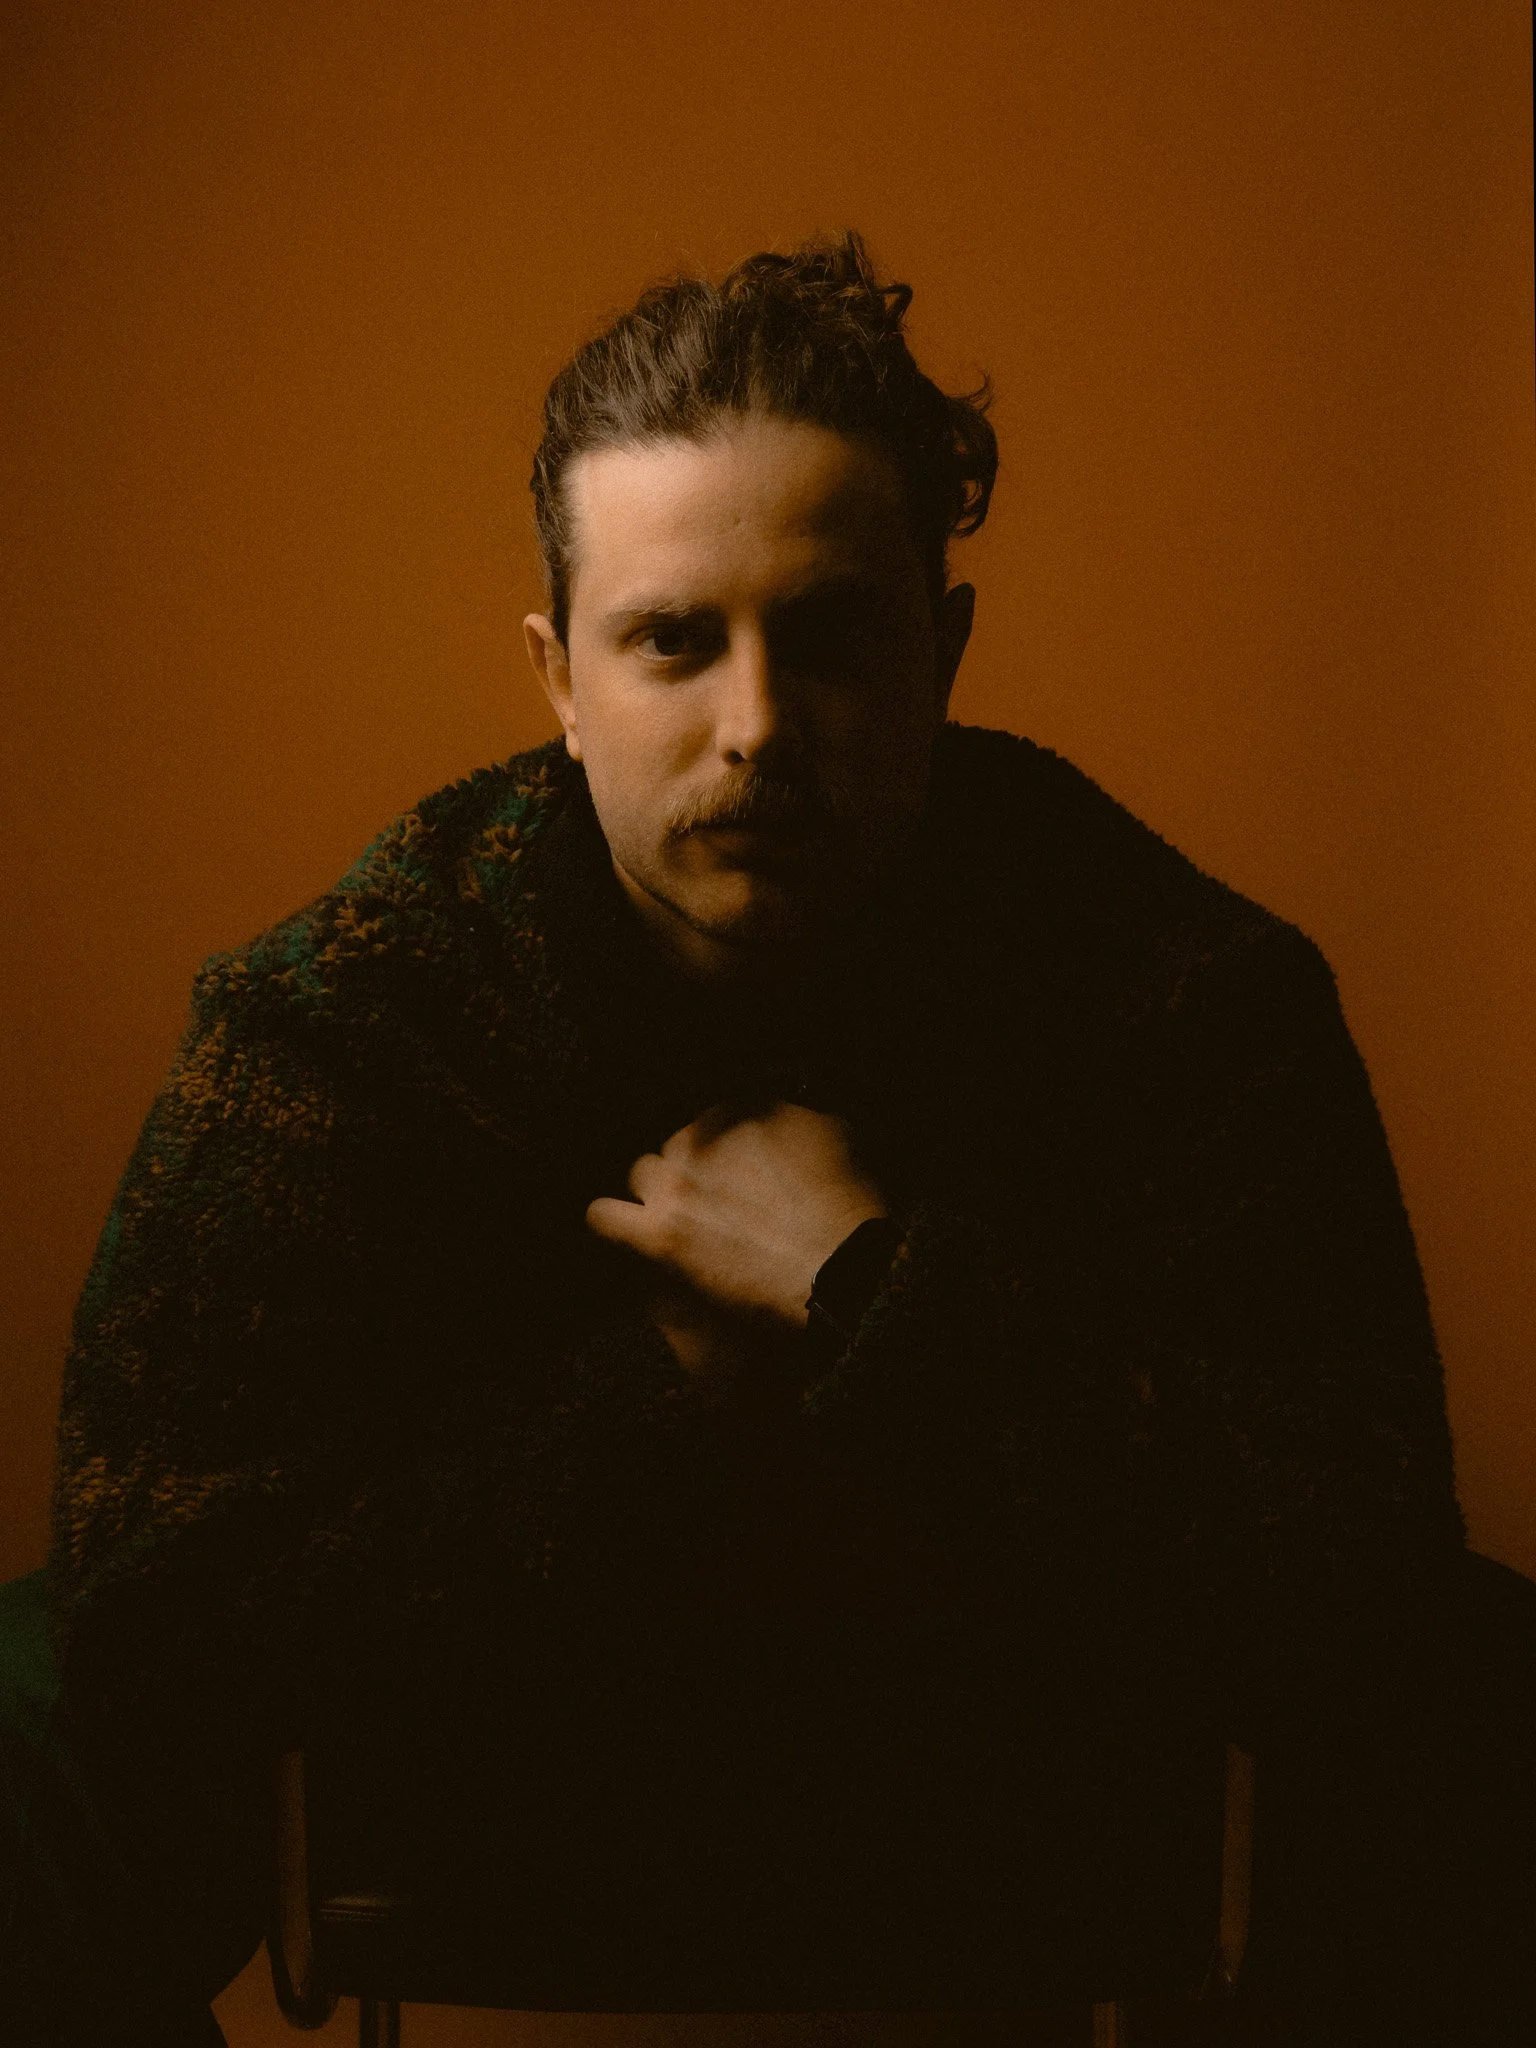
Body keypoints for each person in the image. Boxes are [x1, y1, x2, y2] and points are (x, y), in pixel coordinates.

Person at [3, 233, 1522, 2044]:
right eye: (671, 641)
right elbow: (149, 1619)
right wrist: (665, 1387)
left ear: (942, 652)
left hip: (1020, 1744)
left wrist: (868, 1291)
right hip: (518, 1742)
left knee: (1484, 1708)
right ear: (561, 682)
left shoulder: (1178, 988)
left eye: (832, 634)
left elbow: (1364, 1581)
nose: (758, 728)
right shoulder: (352, 1011)